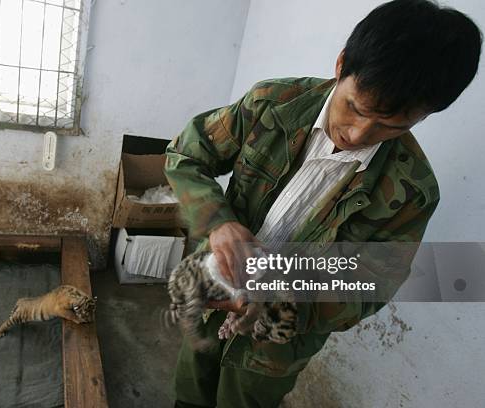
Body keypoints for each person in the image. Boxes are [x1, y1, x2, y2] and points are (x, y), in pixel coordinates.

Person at [164, 1, 482, 407]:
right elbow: (186, 156)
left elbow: (370, 284)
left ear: (425, 116)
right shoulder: (271, 104)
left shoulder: (411, 190)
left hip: (277, 344)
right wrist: (219, 222)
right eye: (355, 108)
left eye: (391, 126)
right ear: (341, 63)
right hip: (211, 287)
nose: (359, 132)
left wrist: (280, 297)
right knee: (190, 390)